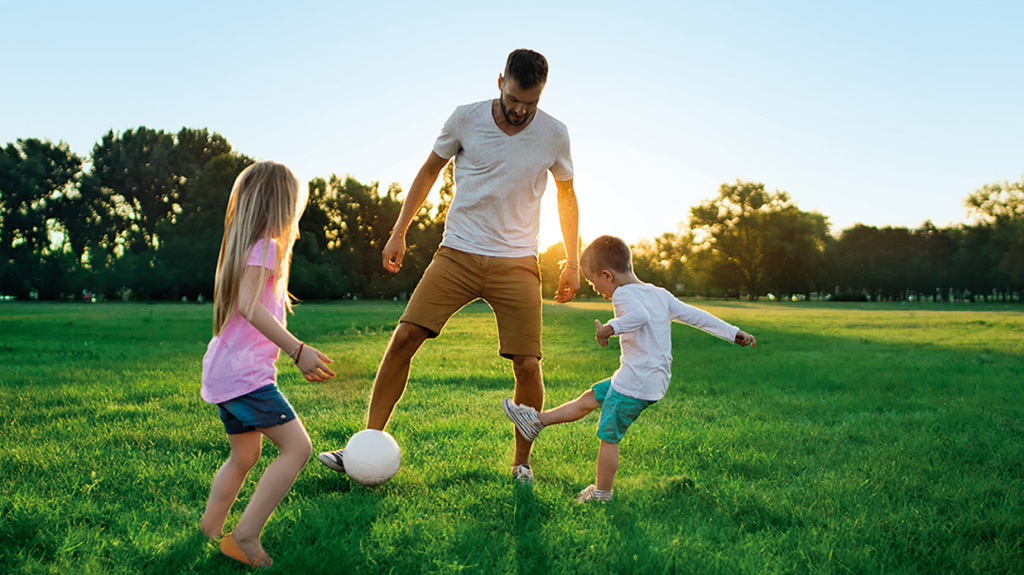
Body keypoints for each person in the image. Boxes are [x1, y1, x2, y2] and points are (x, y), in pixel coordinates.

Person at [318, 48, 580, 485]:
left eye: (529, 104)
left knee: (528, 365)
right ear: (500, 81)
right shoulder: (465, 118)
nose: (519, 111)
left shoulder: (555, 134)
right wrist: (399, 230)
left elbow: (566, 195)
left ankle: (522, 462)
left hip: (517, 261)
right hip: (457, 252)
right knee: (404, 337)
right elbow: (429, 171)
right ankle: (364, 445)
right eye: (514, 99)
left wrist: (572, 260)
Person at [501, 235, 756, 502]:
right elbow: (695, 315)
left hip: (634, 384)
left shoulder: (623, 293)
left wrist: (611, 328)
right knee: (591, 397)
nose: (596, 288)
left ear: (607, 275)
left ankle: (601, 494)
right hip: (648, 380)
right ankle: (536, 422)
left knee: (608, 436)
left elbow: (638, 317)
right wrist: (732, 332)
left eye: (593, 281)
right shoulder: (659, 294)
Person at [200, 160, 336, 567]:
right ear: (281, 207)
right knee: (297, 449)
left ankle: (208, 531)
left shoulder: (244, 247)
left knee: (244, 457)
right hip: (245, 377)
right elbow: (249, 307)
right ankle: (244, 537)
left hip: (225, 371)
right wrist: (297, 350)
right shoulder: (267, 248)